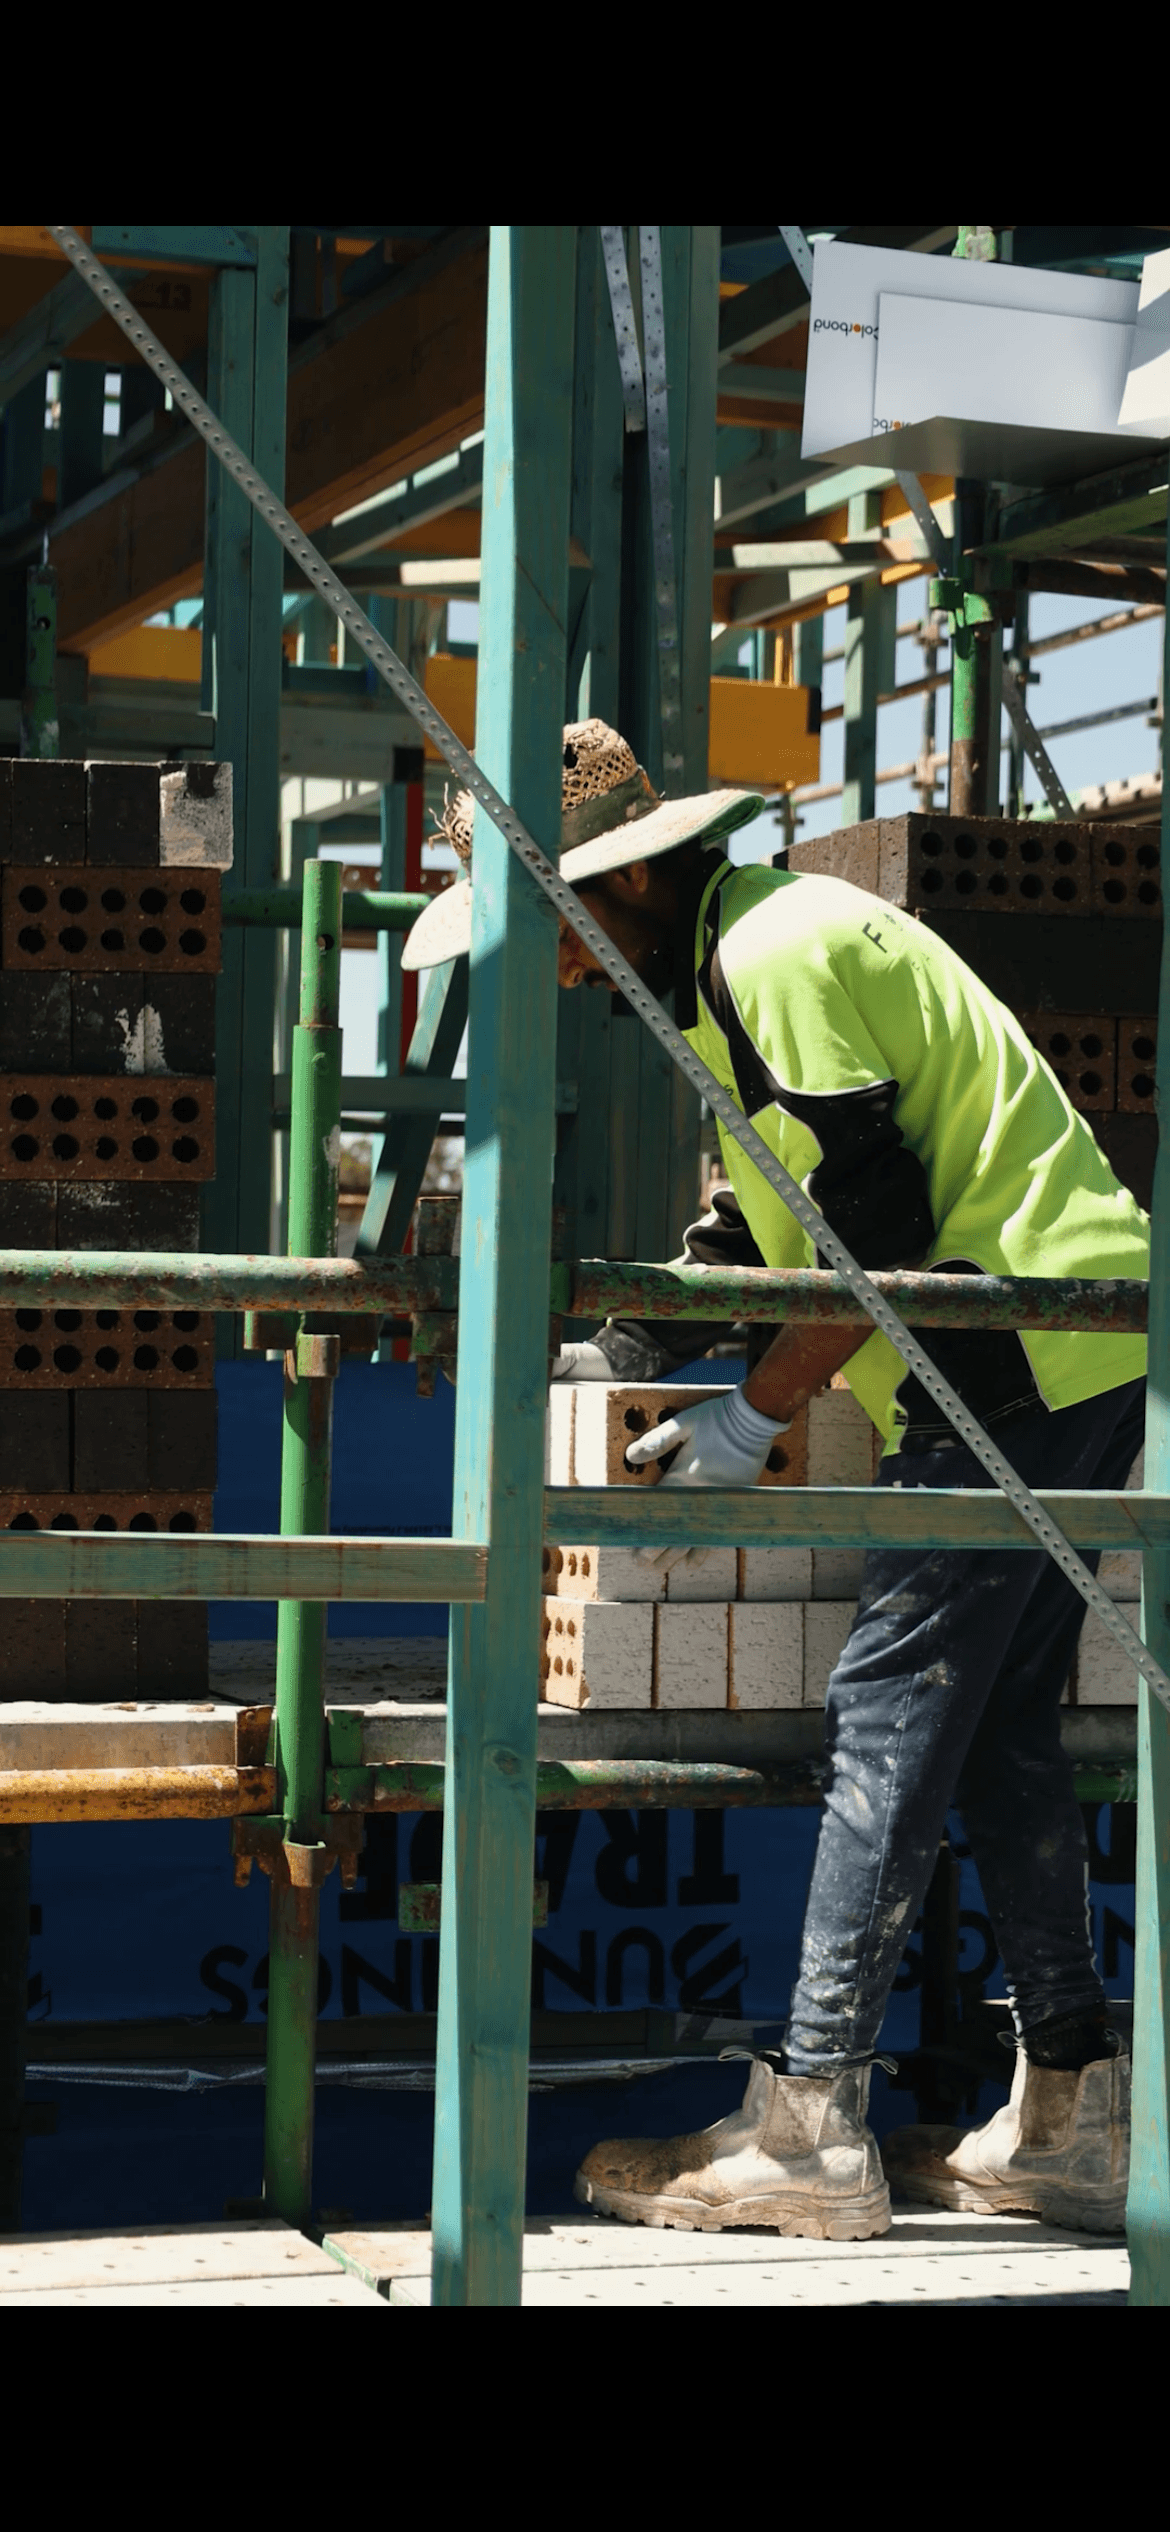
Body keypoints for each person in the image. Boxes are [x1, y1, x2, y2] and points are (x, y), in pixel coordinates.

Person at [402, 718, 1144, 2241]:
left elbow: (871, 1244)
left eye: (535, 931)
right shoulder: (741, 964)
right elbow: (766, 1226)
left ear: (610, 892)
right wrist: (620, 1348)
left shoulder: (778, 958)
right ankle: (1075, 2109)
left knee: (885, 1711)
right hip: (1054, 1345)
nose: (537, 971)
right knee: (996, 1723)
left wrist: (749, 1408)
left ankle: (808, 2125)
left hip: (1003, 1349)